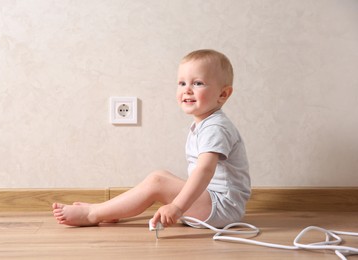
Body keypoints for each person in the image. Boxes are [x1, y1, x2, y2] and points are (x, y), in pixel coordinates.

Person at [52, 49, 251, 229]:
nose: (187, 89)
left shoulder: (215, 127)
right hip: (215, 205)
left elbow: (204, 170)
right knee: (159, 177)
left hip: (222, 209)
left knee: (158, 181)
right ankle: (107, 210)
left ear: (223, 94)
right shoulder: (205, 124)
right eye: (182, 83)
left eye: (198, 83)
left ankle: (92, 214)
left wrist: (177, 207)